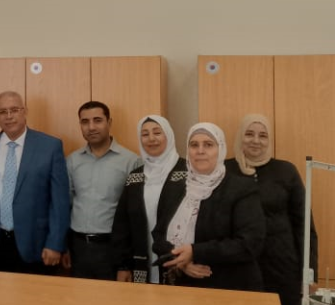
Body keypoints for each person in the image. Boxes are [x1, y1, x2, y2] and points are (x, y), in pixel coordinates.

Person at [225, 113, 318, 305]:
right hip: (238, 267)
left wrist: (309, 273)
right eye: (249, 134)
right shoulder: (224, 170)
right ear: (240, 136)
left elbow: (304, 226)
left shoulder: (286, 171)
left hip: (282, 266)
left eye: (263, 135)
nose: (256, 141)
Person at [0, 91, 70, 275]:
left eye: (14, 110)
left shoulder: (50, 147)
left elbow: (59, 202)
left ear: (25, 111)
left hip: (37, 246)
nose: (9, 116)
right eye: (3, 112)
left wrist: (55, 243)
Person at [152, 122, 265, 291]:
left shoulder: (241, 189)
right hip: (180, 285)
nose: (200, 151)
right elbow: (159, 235)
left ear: (221, 149)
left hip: (229, 288)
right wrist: (181, 261)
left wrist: (194, 252)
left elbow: (250, 243)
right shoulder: (175, 188)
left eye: (208, 145)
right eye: (194, 145)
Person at [64, 101, 141, 280]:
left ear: (109, 122)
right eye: (85, 122)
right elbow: (66, 206)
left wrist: (126, 263)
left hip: (113, 248)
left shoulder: (131, 161)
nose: (91, 127)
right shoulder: (72, 161)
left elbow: (134, 216)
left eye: (97, 120)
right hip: (79, 248)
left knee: (112, 298)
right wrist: (64, 246)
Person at [112, 115, 187, 285]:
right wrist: (123, 265)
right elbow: (122, 225)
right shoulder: (135, 177)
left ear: (168, 135)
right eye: (145, 134)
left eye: (157, 133)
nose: (151, 139)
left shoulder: (188, 173)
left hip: (180, 265)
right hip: (141, 265)